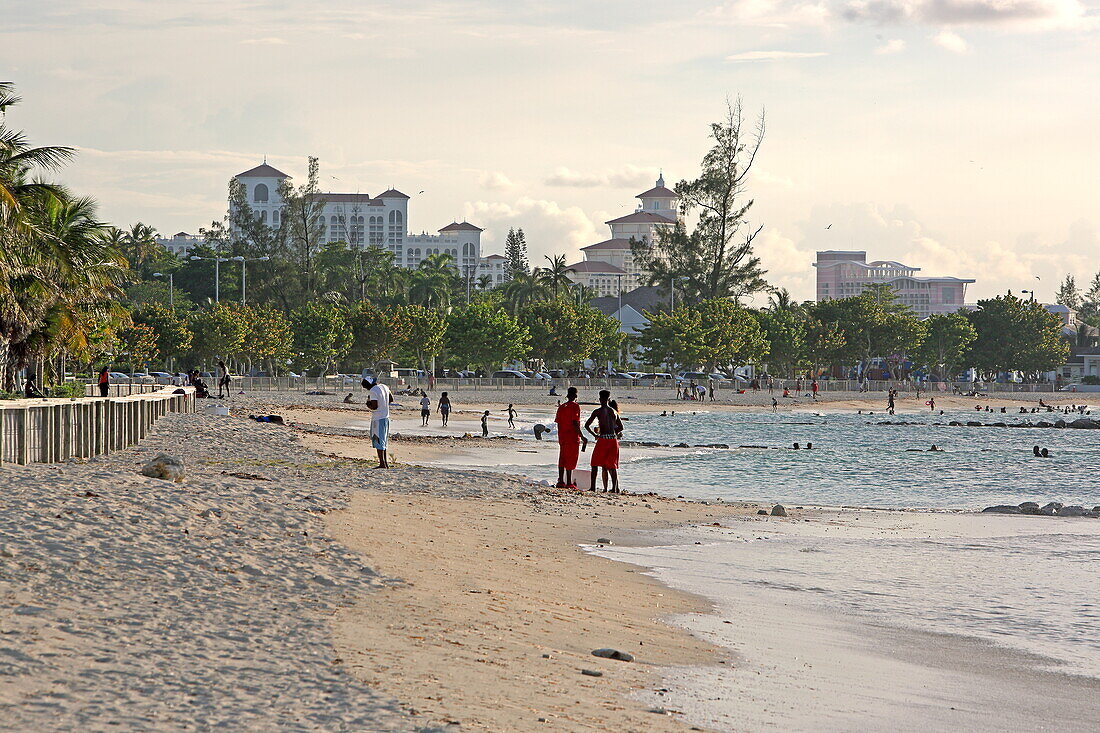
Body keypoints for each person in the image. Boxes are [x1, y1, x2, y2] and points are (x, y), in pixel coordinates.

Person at [585, 389, 623, 493]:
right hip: (613, 440)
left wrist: (595, 435)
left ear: (600, 399)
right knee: (612, 465)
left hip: (603, 439)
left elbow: (586, 425)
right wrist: (613, 432)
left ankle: (593, 487)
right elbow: (621, 427)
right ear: (609, 399)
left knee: (594, 464)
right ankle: (615, 488)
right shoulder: (614, 411)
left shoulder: (597, 411)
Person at [554, 386, 583, 488]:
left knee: (562, 458)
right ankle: (569, 482)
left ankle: (561, 480)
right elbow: (575, 423)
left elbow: (558, 423)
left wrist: (560, 435)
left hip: (563, 437)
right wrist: (582, 436)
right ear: (575, 395)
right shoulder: (575, 406)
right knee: (571, 459)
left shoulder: (562, 407)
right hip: (572, 437)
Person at [365, 376, 392, 469]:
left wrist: (368, 403)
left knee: (378, 440)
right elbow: (391, 399)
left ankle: (382, 464)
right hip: (386, 417)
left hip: (378, 418)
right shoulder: (384, 386)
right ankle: (385, 463)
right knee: (384, 441)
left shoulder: (373, 391)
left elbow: (374, 406)